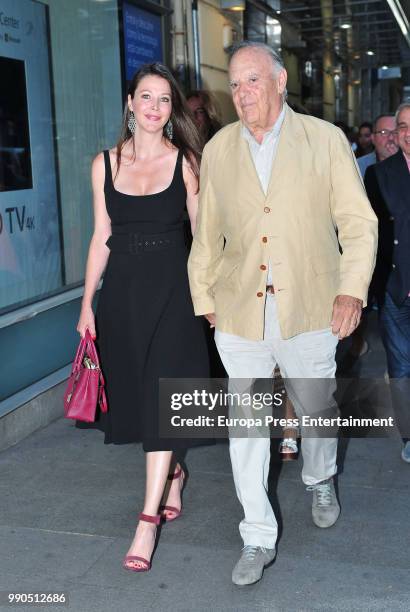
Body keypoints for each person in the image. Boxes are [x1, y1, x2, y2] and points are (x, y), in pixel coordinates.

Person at [188, 41, 378, 586]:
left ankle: (320, 477)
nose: (242, 92)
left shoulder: (322, 140)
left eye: (252, 81)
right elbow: (208, 235)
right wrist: (206, 301)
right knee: (246, 428)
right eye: (236, 83)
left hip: (311, 306)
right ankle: (256, 534)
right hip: (240, 313)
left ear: (279, 83)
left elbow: (358, 224)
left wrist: (351, 291)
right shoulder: (221, 147)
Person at [76, 62, 209, 572]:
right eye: (145, 97)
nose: (154, 108)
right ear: (130, 103)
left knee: (165, 398)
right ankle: (173, 473)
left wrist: (211, 300)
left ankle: (146, 522)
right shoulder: (104, 164)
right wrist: (87, 304)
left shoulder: (187, 163)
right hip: (123, 301)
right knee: (138, 397)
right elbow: (99, 238)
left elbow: (201, 240)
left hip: (175, 297)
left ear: (172, 110)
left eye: (164, 100)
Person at [364, 102, 410, 463]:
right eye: (403, 126)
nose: (407, 133)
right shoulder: (379, 175)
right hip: (397, 288)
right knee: (400, 366)